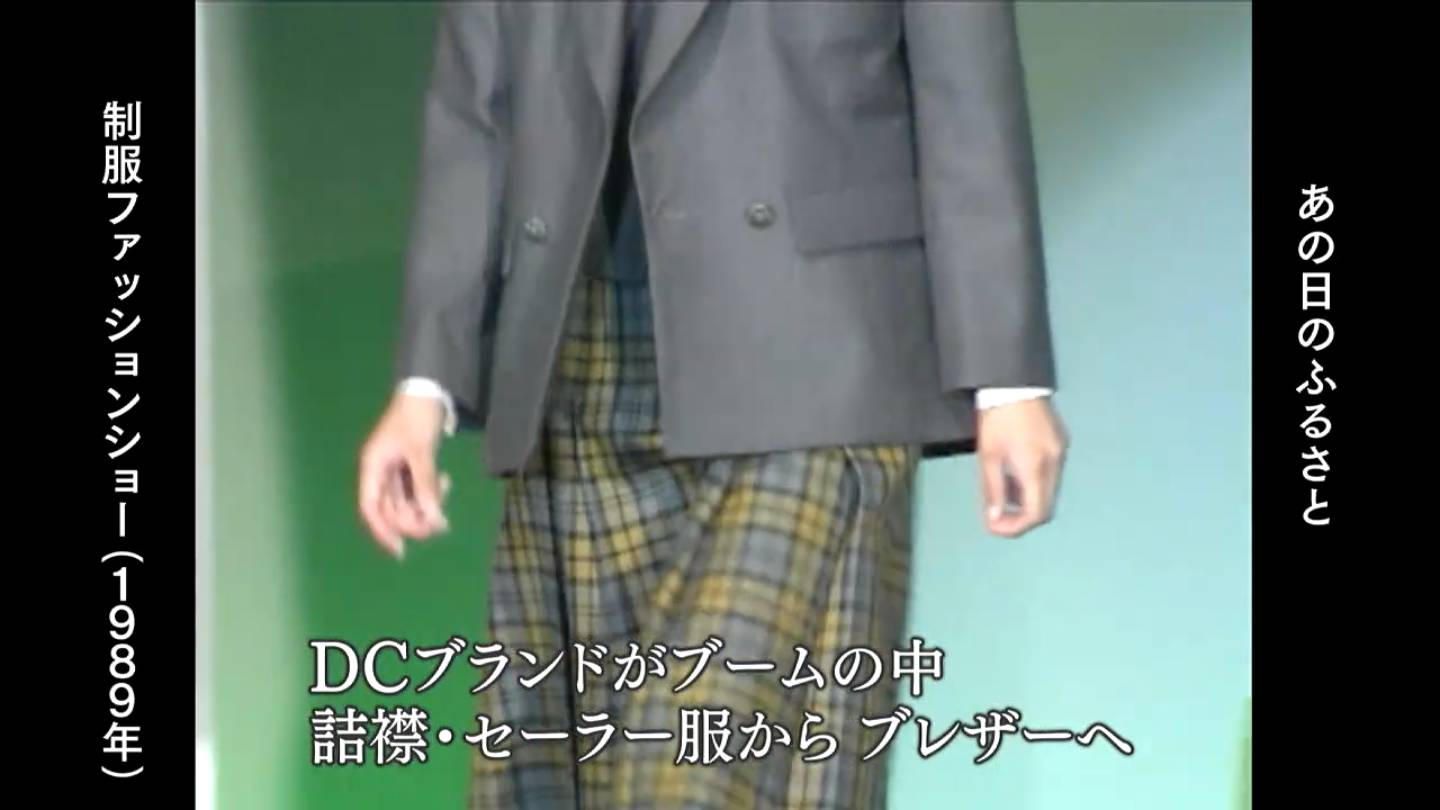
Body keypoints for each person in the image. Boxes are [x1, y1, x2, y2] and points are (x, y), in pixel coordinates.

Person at [358, 2, 1068, 807]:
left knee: (710, 771)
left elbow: (966, 94)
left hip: (813, 353)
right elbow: (474, 113)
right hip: (575, 359)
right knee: (556, 779)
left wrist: (1008, 381)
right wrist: (426, 386)